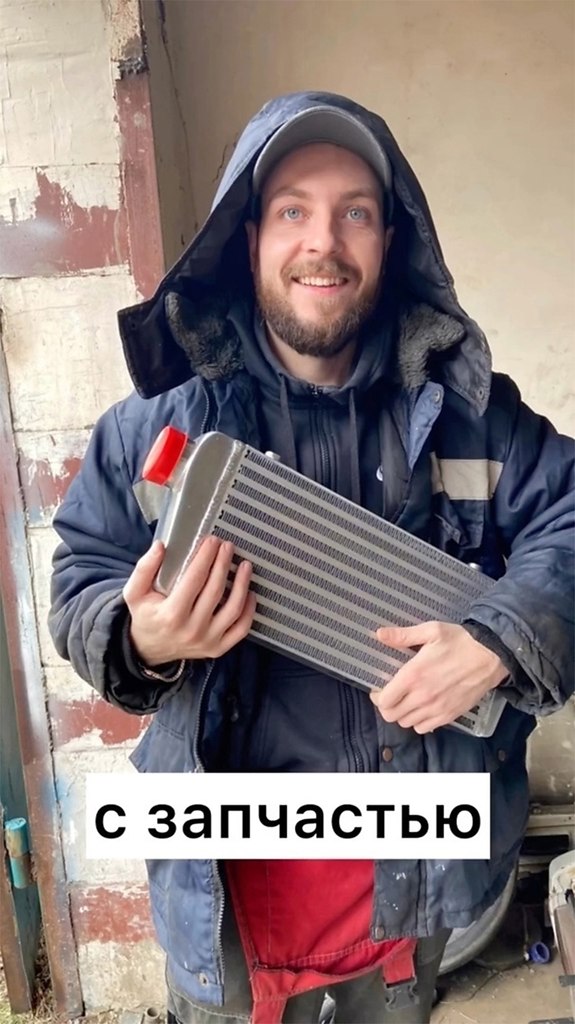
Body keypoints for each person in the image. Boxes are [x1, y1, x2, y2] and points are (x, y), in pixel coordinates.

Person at [49, 92, 574, 1024]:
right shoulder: (151, 428)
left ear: (391, 241)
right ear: (249, 237)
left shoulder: (476, 418)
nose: (321, 242)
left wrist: (500, 638)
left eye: (353, 213)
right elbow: (82, 578)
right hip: (223, 912)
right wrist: (144, 637)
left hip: (412, 902)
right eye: (292, 210)